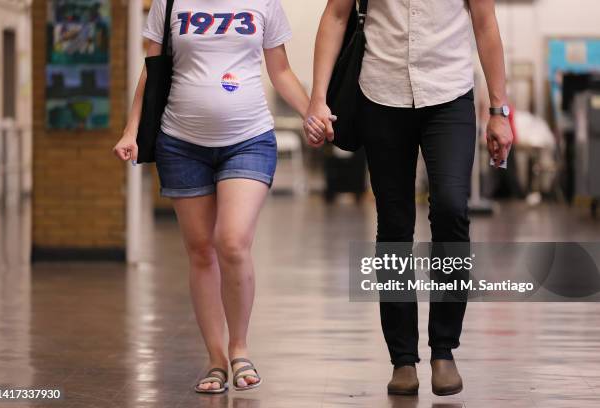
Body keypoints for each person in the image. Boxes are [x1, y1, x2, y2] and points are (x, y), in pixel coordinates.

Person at [306, 0, 513, 396]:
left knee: (452, 208)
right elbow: (335, 16)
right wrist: (318, 96)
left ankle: (443, 349)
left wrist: (499, 110)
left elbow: (485, 24)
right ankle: (402, 358)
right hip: (381, 94)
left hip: (449, 92)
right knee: (395, 226)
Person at [113, 0, 312, 394]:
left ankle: (239, 348)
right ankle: (216, 358)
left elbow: (281, 71)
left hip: (249, 138)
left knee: (232, 241)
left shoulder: (264, 3)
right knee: (202, 250)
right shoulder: (168, 4)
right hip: (181, 143)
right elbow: (151, 74)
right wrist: (130, 129)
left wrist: (312, 112)